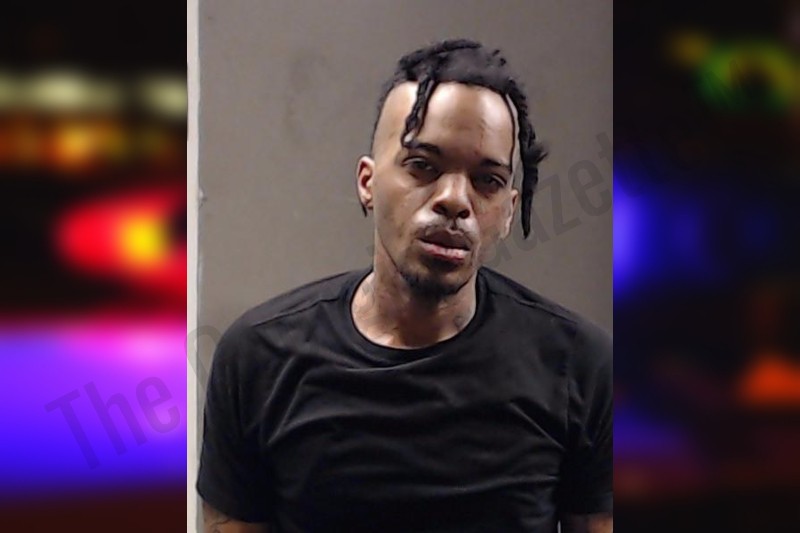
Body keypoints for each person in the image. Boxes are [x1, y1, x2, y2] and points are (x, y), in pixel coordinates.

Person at [197, 39, 612, 533]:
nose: (454, 199)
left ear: (508, 211)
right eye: (422, 166)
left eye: (488, 180)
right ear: (367, 182)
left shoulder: (577, 366)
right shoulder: (259, 358)